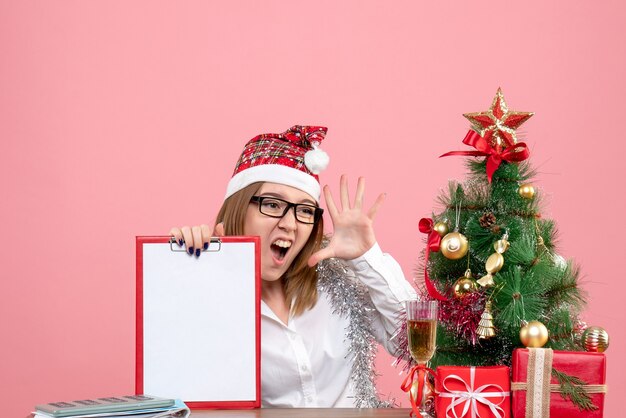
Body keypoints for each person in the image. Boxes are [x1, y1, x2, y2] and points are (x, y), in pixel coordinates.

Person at [170, 125, 416, 408]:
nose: (289, 223)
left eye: (304, 210)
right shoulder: (212, 292)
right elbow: (184, 392)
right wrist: (182, 268)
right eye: (273, 205)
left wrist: (366, 257)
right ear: (238, 208)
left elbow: (418, 348)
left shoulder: (341, 278)